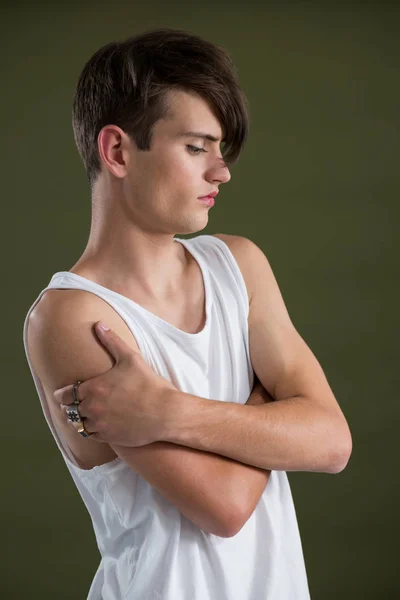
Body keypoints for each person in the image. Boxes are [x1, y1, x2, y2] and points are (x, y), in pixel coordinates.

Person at [23, 28, 352, 600]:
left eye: (219, 151)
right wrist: (269, 401)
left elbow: (332, 441)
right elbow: (223, 507)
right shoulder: (70, 318)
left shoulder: (239, 265)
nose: (221, 172)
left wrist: (166, 410)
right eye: (196, 147)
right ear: (118, 151)